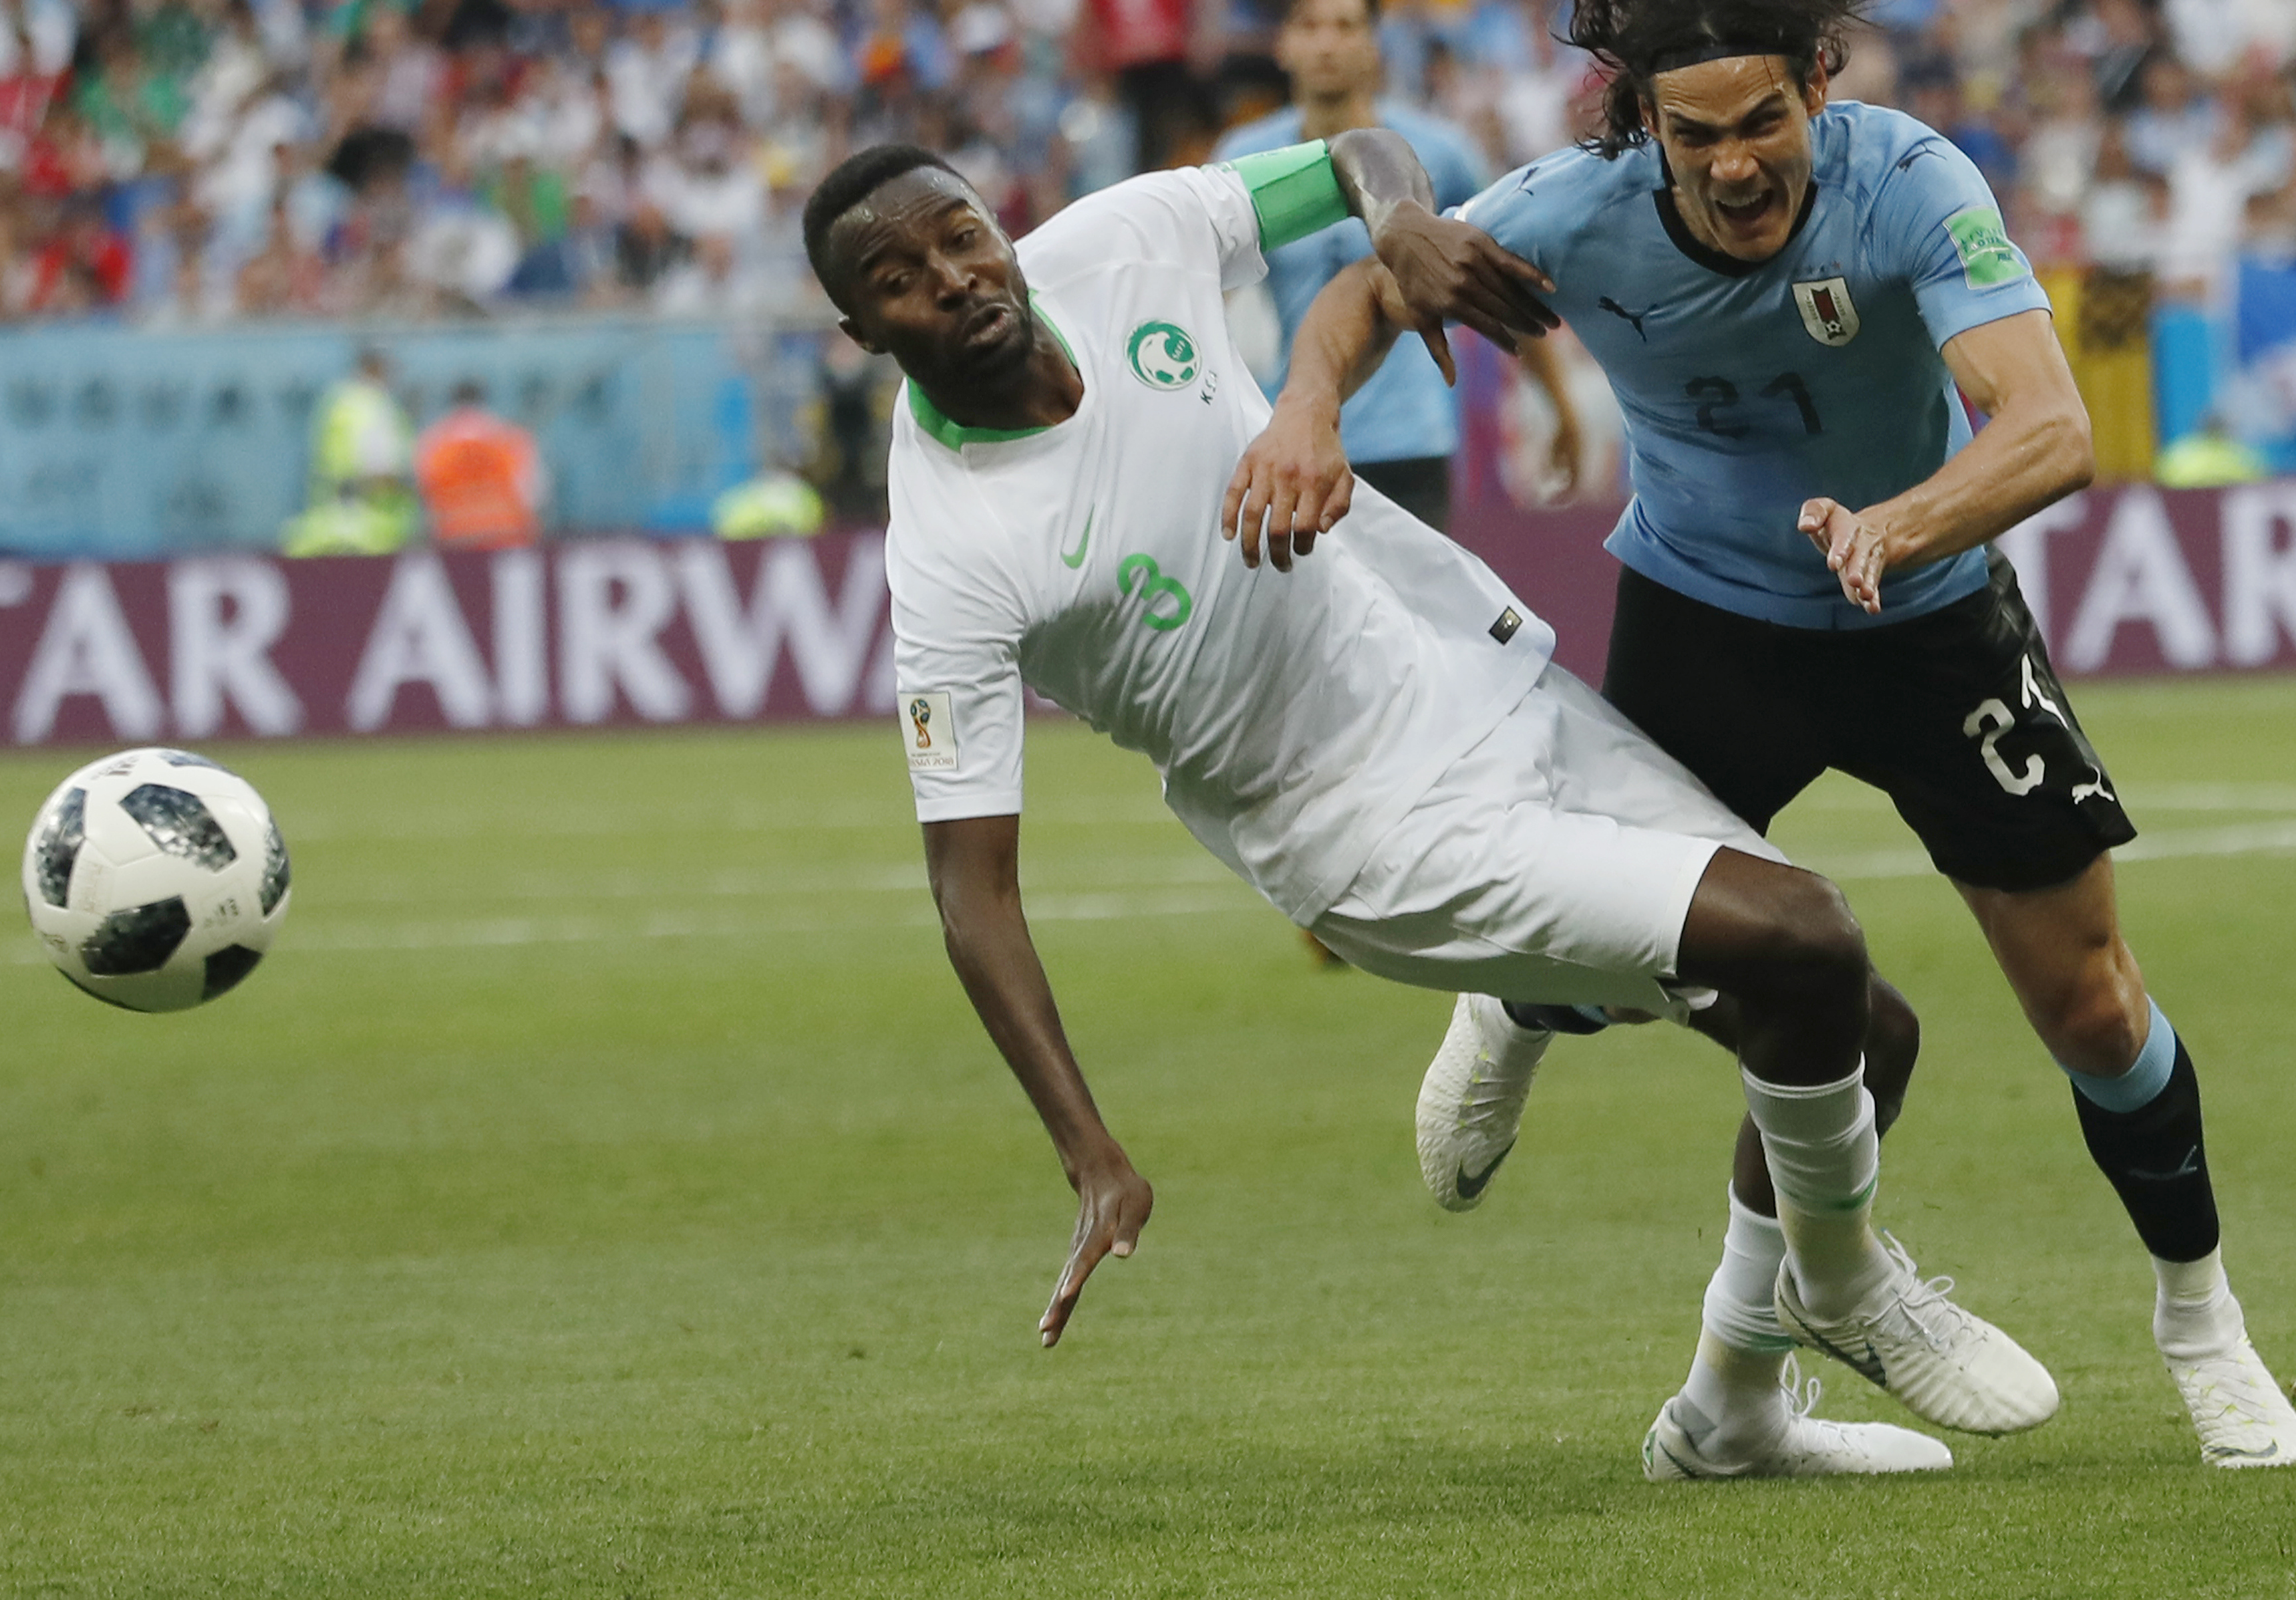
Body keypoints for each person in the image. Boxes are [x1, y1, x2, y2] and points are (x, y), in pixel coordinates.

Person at [810, 131, 2062, 1480]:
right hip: (1355, 829)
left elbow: (1354, 153)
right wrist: (1089, 1152)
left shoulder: (1118, 242)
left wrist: (1399, 219)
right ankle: (1838, 1278)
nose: (950, 276)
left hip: (1463, 676)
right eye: (897, 276)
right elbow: (970, 891)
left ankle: (1729, 1413)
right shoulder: (949, 548)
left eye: (958, 233)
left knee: (1858, 1035)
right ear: (857, 329)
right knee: (1804, 935)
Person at [1275, 0, 2296, 1470]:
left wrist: (1900, 521)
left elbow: (2046, 427)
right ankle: (1516, 1012)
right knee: (1615, 952)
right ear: (1644, 129)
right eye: (1698, 135)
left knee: (2092, 1004)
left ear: (1818, 87)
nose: (1739, 160)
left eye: (1766, 119)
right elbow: (1371, 293)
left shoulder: (1907, 182)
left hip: (1929, 617)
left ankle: (2200, 1324)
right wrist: (1302, 411)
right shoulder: (1575, 206)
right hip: (1707, 625)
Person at [1213, 0, 1583, 531]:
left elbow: (1503, 282)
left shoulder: (1439, 151)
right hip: (1290, 438)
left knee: (1417, 621)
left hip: (1409, 440)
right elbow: (1206, 295)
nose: (1328, 43)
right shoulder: (1246, 159)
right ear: (1283, 44)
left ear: (1374, 43)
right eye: (1310, 26)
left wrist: (1560, 407)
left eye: (1345, 25)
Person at [281, 348, 420, 557]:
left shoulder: (339, 403)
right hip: (373, 533)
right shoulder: (375, 408)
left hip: (329, 524)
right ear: (376, 367)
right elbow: (382, 474)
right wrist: (413, 486)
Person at [415, 380, 547, 549]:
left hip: (454, 542)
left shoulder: (432, 443)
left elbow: (424, 496)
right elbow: (534, 496)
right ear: (484, 400)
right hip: (507, 538)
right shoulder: (511, 438)